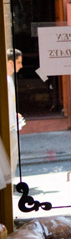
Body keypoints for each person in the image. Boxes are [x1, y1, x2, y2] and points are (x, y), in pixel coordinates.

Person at [6, 48, 24, 177]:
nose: (21, 66)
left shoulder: (9, 80)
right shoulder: (6, 81)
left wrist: (14, 114)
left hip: (12, 126)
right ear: (10, 63)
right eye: (19, 62)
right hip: (9, 129)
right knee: (10, 160)